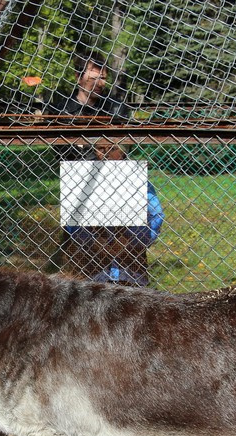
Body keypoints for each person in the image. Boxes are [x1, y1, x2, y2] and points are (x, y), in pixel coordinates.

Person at [47, 54, 163, 285]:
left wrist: (134, 243)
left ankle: (125, 274)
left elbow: (155, 215)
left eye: (104, 72)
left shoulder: (114, 105)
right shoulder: (62, 108)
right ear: (79, 76)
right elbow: (59, 150)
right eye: (95, 71)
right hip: (82, 178)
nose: (101, 77)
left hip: (117, 179)